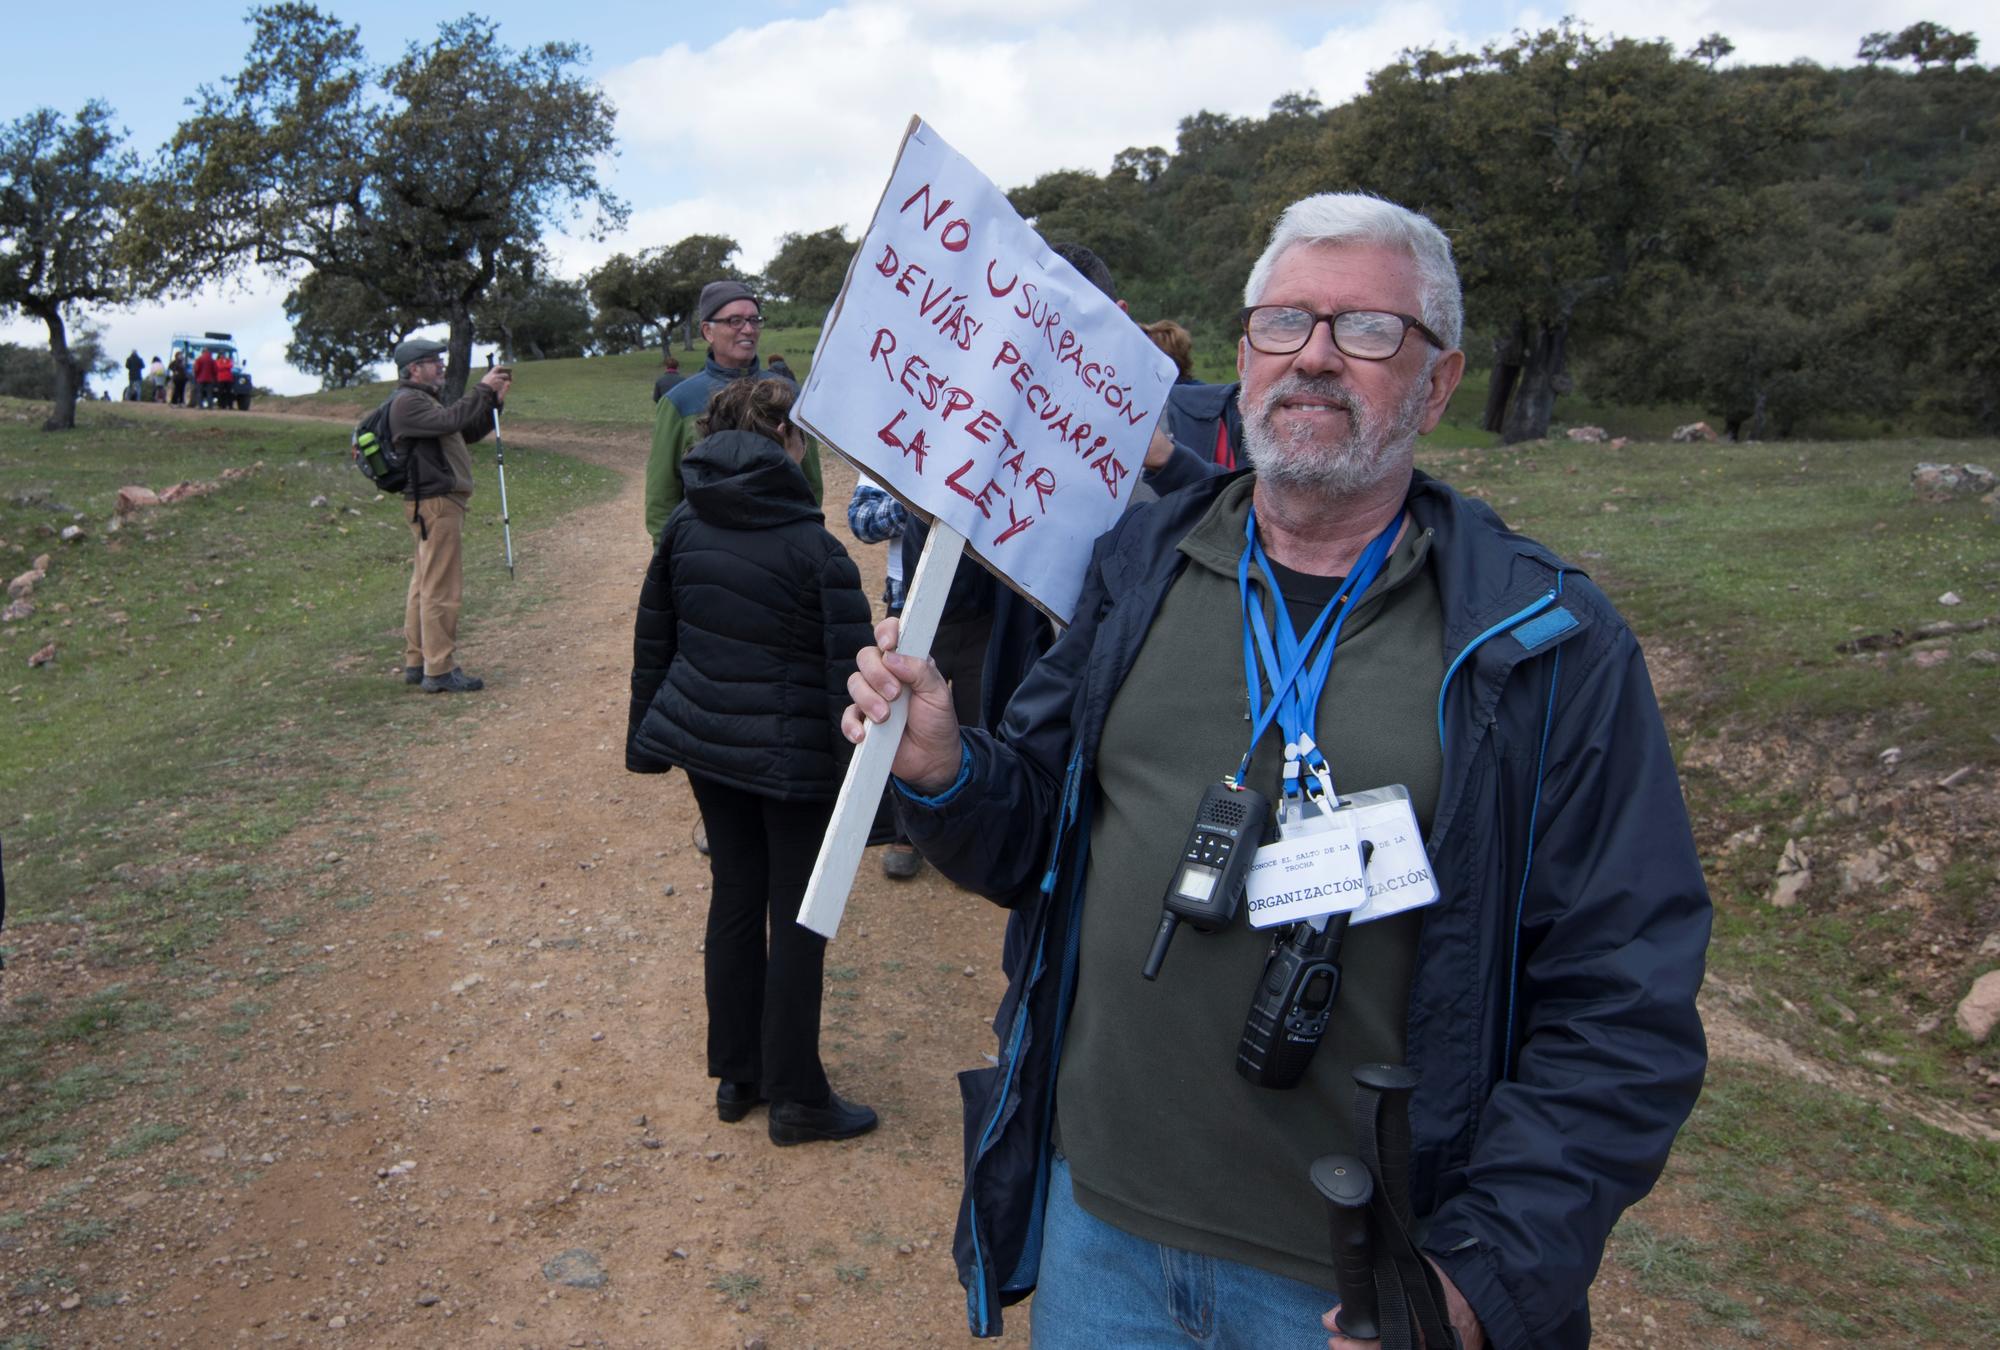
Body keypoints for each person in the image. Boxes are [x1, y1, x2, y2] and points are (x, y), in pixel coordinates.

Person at [843, 192, 1711, 1349]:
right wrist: (948, 769)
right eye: (1282, 322)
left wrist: (1477, 1274)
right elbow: (1031, 843)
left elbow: (1623, 996)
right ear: (1243, 354)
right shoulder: (1141, 562)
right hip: (1102, 1233)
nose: (1311, 356)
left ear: (1438, 382)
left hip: (1360, 1283)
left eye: (1364, 330)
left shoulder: (1544, 638)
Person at [626, 376, 879, 1146]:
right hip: (792, 757)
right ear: (785, 440)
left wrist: (647, 736)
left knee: (736, 894)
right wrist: (869, 800)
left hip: (708, 745)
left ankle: (739, 1073)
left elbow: (654, 637)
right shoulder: (816, 548)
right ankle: (797, 1094)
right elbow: (853, 675)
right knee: (799, 914)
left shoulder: (683, 526)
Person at [642, 279, 817, 544]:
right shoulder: (679, 402)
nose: (748, 329)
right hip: (705, 554)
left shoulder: (791, 395)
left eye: (754, 319)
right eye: (735, 321)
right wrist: (669, 558)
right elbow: (662, 497)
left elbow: (811, 483)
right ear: (708, 331)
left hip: (781, 550)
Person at [388, 338, 509, 694]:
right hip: (436, 504)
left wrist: (493, 403)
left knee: (424, 584)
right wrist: (482, 389)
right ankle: (439, 669)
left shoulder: (422, 402)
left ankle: (418, 661)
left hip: (432, 503)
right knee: (441, 587)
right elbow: (454, 417)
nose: (440, 365)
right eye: (432, 361)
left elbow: (463, 430)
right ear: (414, 369)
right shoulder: (409, 402)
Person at [846, 473, 922, 880]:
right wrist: (916, 503)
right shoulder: (903, 433)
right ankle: (905, 831)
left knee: (975, 708)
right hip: (907, 597)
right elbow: (860, 520)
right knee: (897, 711)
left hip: (987, 602)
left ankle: (970, 833)